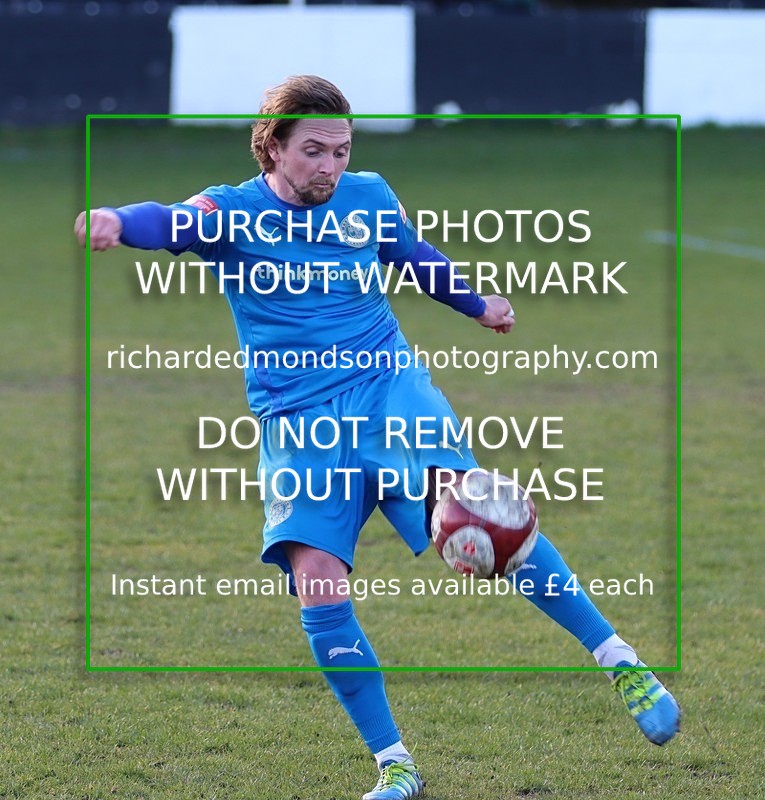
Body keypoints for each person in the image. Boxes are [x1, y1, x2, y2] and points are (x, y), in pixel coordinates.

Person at [76, 75, 680, 800]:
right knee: (317, 586)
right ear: (271, 148)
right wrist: (114, 218)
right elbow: (168, 222)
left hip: (388, 389)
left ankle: (620, 662)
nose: (329, 165)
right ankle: (395, 764)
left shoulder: (367, 195)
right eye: (313, 151)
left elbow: (412, 255)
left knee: (482, 512)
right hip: (298, 423)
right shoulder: (232, 213)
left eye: (340, 149)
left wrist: (476, 304)